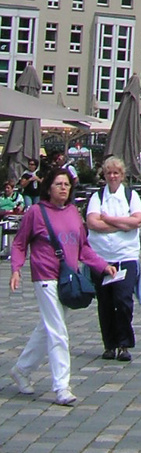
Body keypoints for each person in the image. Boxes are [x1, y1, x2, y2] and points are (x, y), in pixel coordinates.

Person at [10, 166, 117, 404]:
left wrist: (102, 266)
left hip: (68, 279)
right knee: (58, 331)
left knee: (47, 328)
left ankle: (22, 370)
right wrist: (16, 269)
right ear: (49, 187)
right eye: (58, 184)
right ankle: (62, 387)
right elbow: (19, 244)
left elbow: (83, 248)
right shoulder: (36, 212)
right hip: (45, 276)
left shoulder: (73, 213)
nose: (63, 188)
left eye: (67, 184)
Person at [85, 156, 141, 363]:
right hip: (101, 258)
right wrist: (121, 224)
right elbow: (92, 222)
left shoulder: (131, 195)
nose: (112, 176)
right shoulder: (97, 197)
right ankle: (109, 344)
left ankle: (124, 343)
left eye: (116, 173)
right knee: (105, 302)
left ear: (122, 175)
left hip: (125, 257)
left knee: (123, 300)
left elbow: (137, 220)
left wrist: (108, 219)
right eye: (109, 173)